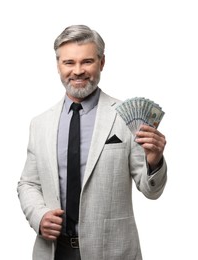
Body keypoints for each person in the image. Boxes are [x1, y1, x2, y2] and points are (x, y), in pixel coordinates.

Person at [17, 24, 167, 260]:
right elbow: (28, 184)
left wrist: (154, 161)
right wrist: (39, 216)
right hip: (54, 251)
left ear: (102, 63)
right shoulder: (40, 124)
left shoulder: (126, 118)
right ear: (58, 65)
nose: (78, 71)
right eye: (69, 63)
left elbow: (151, 191)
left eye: (87, 61)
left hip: (113, 252)